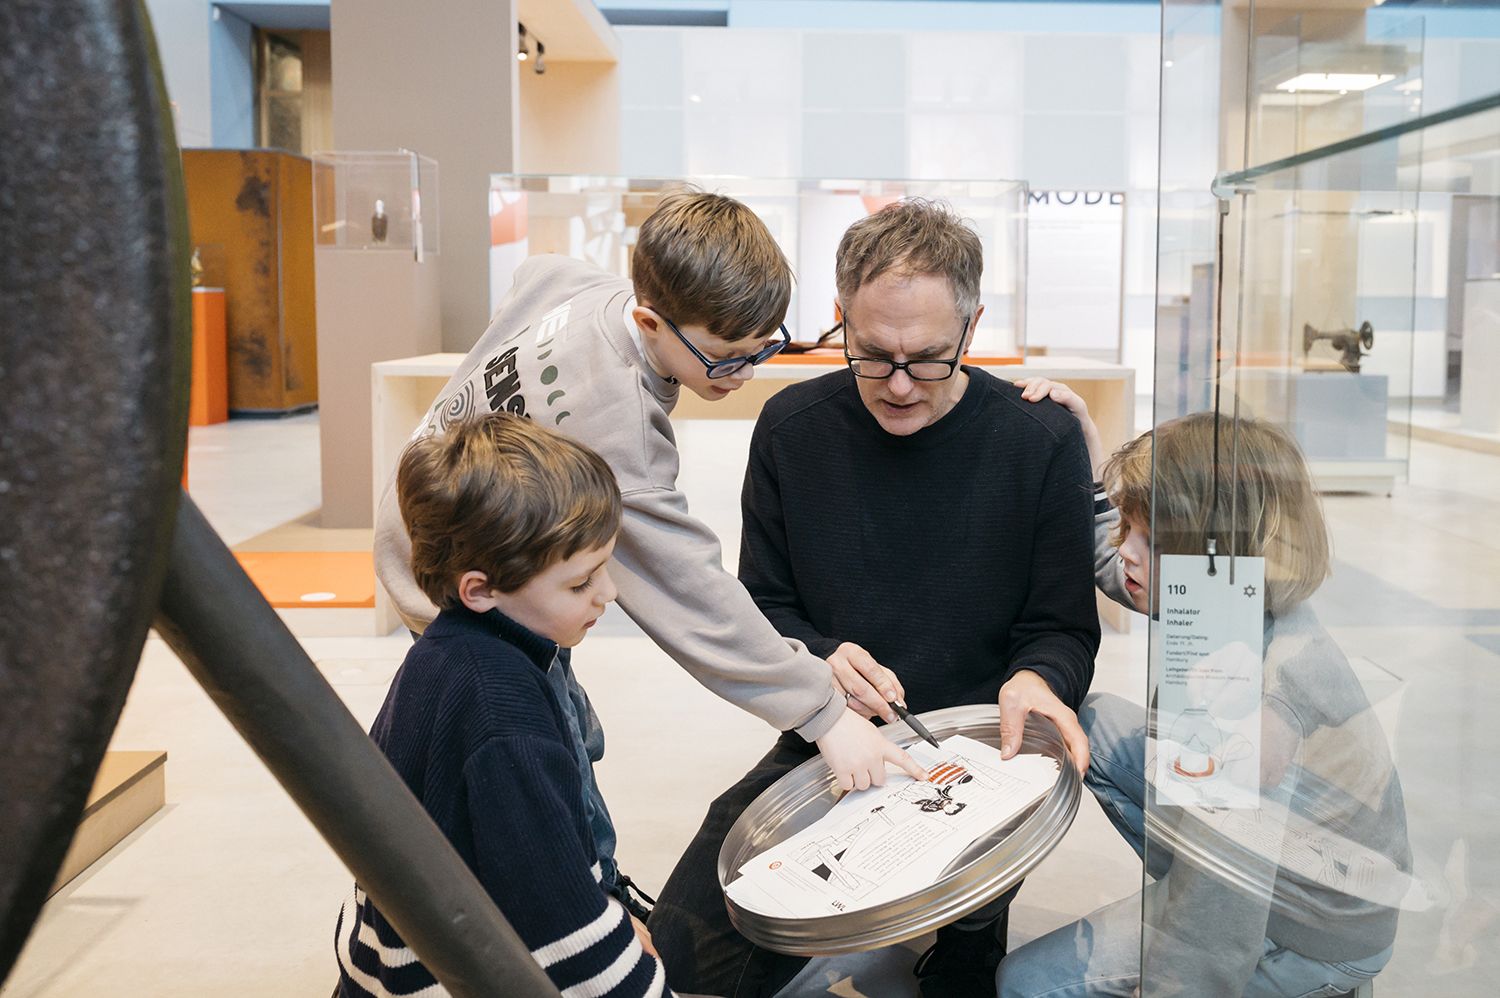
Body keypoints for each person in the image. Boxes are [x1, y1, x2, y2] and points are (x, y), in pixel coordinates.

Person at [372, 191, 925, 900]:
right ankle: (589, 892)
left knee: (559, 723)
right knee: (546, 745)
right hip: (456, 576)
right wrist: (822, 712)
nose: (745, 375)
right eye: (725, 360)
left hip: (423, 511)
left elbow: (532, 275)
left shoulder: (580, 287)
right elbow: (687, 591)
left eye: (765, 348)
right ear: (649, 319)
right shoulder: (619, 426)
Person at [648, 199, 1102, 998]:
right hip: (837, 741)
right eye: (871, 354)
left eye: (927, 358)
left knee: (963, 970)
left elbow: (1060, 626)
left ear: (972, 326)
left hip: (980, 752)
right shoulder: (793, 429)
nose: (896, 385)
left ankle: (967, 938)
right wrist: (822, 661)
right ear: (839, 321)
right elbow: (768, 607)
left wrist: (1038, 681)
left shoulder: (1039, 441)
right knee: (689, 955)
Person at [997, 384, 1412, 998]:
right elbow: (1126, 568)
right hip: (1283, 859)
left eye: (1150, 541)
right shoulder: (1231, 593)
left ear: (1216, 551)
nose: (1125, 555)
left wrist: (1173, 978)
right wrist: (1087, 468)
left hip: (1307, 931)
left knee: (1027, 984)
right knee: (1093, 721)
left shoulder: (1252, 703)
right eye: (1129, 528)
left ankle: (1297, 984)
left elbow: (1223, 906)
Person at [336, 413, 673, 997]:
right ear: (481, 588)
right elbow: (559, 916)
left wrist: (614, 916)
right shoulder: (503, 714)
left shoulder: (444, 653)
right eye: (579, 583)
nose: (609, 593)